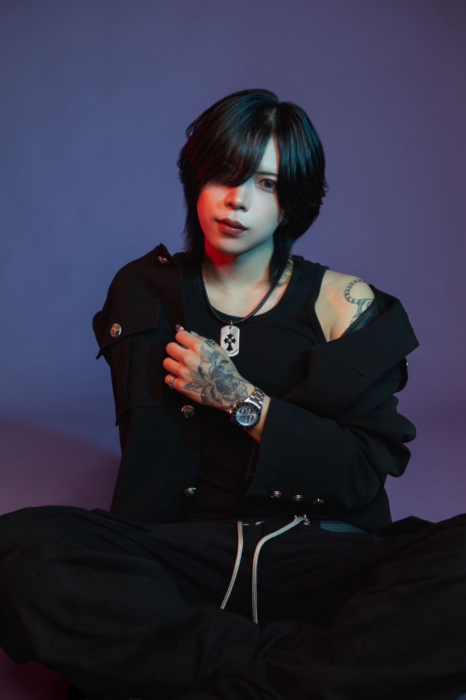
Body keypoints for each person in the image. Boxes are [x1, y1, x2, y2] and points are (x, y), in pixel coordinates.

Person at [0, 89, 465, 700]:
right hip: (180, 558)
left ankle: (199, 672)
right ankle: (300, 670)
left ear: (293, 199)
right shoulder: (142, 290)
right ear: (197, 179)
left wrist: (241, 399)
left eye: (266, 184)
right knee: (20, 550)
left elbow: (358, 475)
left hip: (319, 554)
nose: (238, 200)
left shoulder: (345, 305)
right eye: (224, 175)